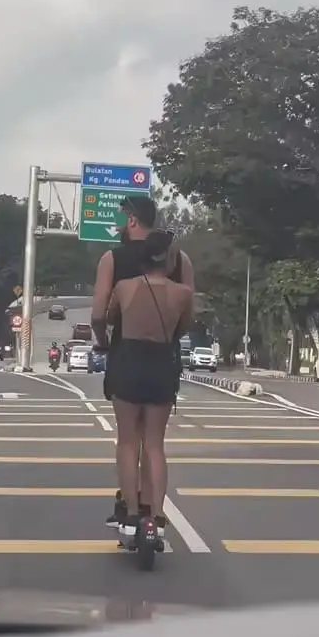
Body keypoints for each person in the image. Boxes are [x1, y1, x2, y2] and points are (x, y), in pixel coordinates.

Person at [91, 194, 194, 527]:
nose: (118, 222)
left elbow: (98, 315)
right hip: (165, 357)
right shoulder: (181, 261)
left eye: (121, 216)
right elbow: (186, 320)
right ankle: (155, 511)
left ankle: (130, 510)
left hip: (126, 356)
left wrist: (104, 343)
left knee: (127, 439)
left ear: (132, 219)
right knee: (155, 442)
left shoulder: (113, 260)